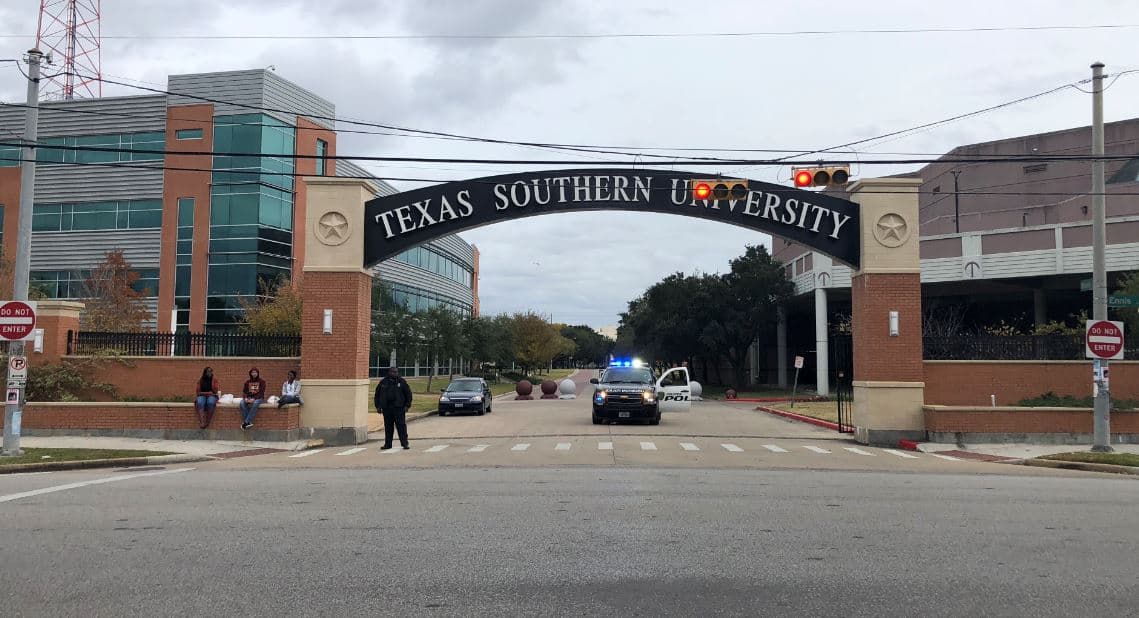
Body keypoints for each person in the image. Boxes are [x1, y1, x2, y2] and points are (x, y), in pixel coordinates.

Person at [374, 366, 413, 450]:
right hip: (387, 408)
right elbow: (377, 395)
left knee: (401, 426)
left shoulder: (402, 382)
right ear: (389, 372)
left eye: (396, 372)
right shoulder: (383, 382)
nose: (395, 373)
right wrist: (378, 406)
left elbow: (408, 394)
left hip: (399, 408)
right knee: (388, 427)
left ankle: (404, 443)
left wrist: (407, 405)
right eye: (393, 372)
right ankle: (388, 444)